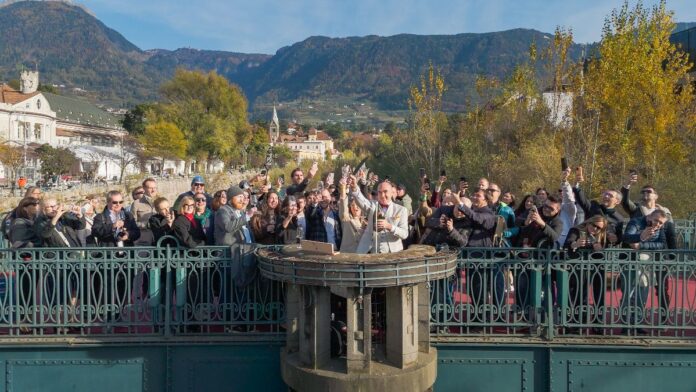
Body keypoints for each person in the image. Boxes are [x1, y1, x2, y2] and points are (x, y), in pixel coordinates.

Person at [623, 209, 676, 323]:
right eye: (656, 220)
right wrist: (640, 236)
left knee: (643, 294)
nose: (658, 224)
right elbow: (627, 237)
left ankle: (638, 322)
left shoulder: (659, 228)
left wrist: (641, 245)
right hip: (630, 263)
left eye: (661, 223)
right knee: (629, 293)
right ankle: (625, 324)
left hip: (647, 264)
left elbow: (661, 244)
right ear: (650, 216)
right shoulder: (636, 222)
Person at [564, 215, 609, 329]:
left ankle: (598, 323)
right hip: (579, 267)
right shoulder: (577, 230)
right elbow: (568, 243)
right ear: (588, 222)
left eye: (598, 228)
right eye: (593, 225)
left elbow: (609, 249)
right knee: (579, 294)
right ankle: (577, 323)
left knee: (599, 295)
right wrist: (576, 244)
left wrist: (601, 249)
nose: (595, 229)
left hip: (598, 267)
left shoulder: (602, 235)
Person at [337, 179, 367, 253]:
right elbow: (343, 203)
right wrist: (343, 188)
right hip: (347, 254)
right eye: (353, 205)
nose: (355, 207)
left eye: (358, 205)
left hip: (362, 254)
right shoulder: (346, 219)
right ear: (350, 207)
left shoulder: (366, 220)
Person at [131, 178, 158, 245]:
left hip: (158, 235)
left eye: (155, 188)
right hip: (143, 237)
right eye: (150, 188)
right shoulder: (136, 204)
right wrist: (146, 224)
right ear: (144, 188)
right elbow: (132, 223)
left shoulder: (160, 202)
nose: (153, 190)